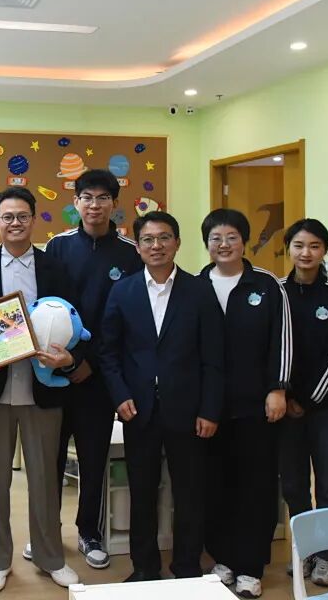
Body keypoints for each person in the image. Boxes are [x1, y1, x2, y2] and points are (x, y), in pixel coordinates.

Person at [0, 187, 80, 594]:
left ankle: (50, 557)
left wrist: (66, 355)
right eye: (7, 216)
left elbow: (73, 321)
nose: (15, 223)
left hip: (43, 388)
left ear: (34, 220)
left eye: (22, 216)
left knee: (45, 480)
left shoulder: (54, 268)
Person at [99, 211, 223, 582]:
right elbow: (108, 352)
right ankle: (145, 567)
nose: (157, 246)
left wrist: (209, 409)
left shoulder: (199, 291)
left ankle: (186, 566)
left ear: (177, 243)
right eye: (148, 240)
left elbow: (214, 357)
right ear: (138, 247)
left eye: (164, 238)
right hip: (138, 410)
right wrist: (119, 395)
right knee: (142, 491)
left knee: (189, 493)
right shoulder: (123, 291)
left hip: (189, 410)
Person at [45, 169, 142, 570]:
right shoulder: (58, 246)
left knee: (93, 458)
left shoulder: (131, 252)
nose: (94, 205)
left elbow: (128, 319)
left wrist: (89, 363)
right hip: (55, 373)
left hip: (99, 376)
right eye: (87, 197)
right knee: (49, 458)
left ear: (115, 204)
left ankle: (90, 532)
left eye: (103, 198)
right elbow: (46, 307)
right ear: (76, 202)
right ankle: (47, 532)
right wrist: (69, 361)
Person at [199, 208, 291, 599]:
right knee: (215, 485)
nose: (224, 244)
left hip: (256, 407)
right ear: (206, 244)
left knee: (256, 486)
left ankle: (251, 566)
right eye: (215, 238)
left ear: (245, 241)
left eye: (232, 237)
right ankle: (223, 559)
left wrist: (278, 388)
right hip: (209, 408)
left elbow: (282, 339)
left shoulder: (266, 285)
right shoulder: (196, 285)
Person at [278, 219, 328, 586]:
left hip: (327, 409)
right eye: (299, 245)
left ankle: (327, 557)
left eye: (315, 246)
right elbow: (273, 348)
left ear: (325, 251)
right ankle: (304, 551)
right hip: (285, 407)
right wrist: (285, 395)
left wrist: (306, 400)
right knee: (293, 485)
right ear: (288, 249)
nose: (306, 253)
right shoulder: (277, 291)